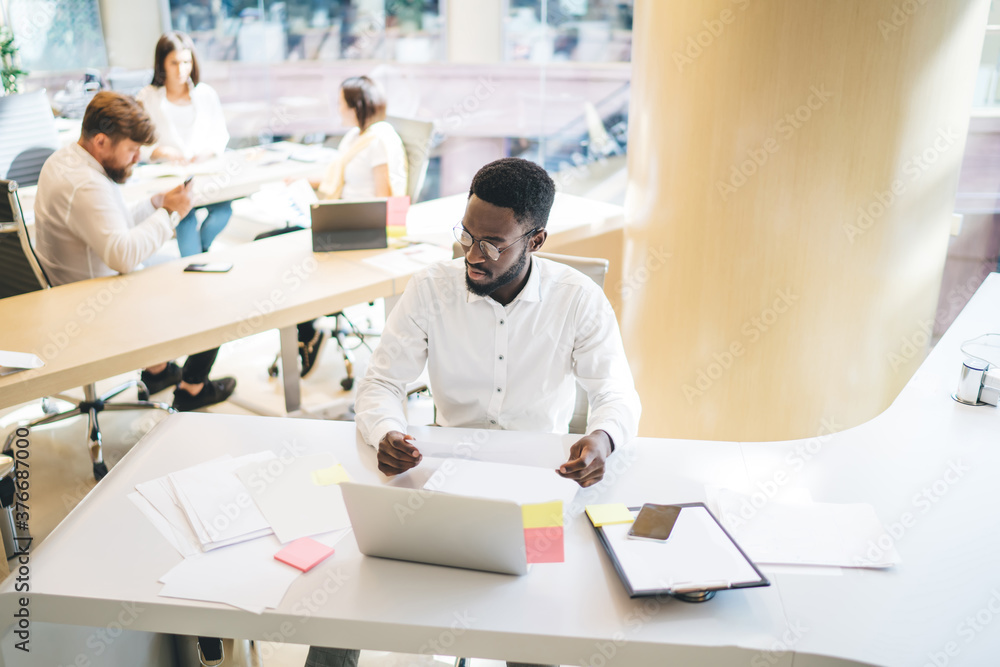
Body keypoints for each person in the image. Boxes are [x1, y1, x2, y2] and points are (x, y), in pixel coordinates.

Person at [304, 159, 641, 667]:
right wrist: (387, 431)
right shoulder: (430, 289)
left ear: (537, 240)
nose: (473, 255)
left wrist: (603, 438)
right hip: (442, 472)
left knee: (536, 624)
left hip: (540, 486)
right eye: (467, 234)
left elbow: (617, 391)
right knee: (345, 598)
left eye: (493, 243)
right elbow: (382, 383)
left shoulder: (578, 300)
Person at [33, 91, 236, 412]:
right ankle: (192, 389)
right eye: (131, 149)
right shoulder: (86, 184)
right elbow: (123, 255)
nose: (137, 158)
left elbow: (112, 227)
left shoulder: (66, 161)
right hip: (97, 303)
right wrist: (172, 214)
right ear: (101, 141)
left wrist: (156, 204)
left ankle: (157, 371)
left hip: (74, 289)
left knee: (189, 267)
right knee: (211, 288)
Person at [294, 75, 408, 378]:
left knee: (293, 250)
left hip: (360, 224)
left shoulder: (379, 141)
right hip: (340, 214)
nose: (338, 107)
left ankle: (309, 329)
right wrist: (298, 181)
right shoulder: (355, 136)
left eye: (341, 103)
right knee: (275, 237)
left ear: (356, 106)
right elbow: (339, 176)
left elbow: (383, 198)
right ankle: (308, 326)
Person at [136, 31, 232, 258]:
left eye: (186, 62)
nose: (181, 70)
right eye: (174, 63)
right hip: (169, 177)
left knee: (223, 211)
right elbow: (137, 145)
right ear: (162, 64)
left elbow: (220, 135)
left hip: (203, 172)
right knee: (185, 218)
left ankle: (200, 253)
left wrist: (206, 152)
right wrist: (162, 151)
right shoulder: (147, 97)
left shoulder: (206, 94)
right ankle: (197, 263)